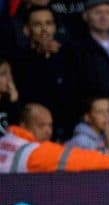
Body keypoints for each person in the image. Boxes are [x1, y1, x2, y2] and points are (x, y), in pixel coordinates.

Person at [0, 103, 109, 173]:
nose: (48, 131)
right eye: (41, 125)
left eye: (50, 125)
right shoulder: (33, 152)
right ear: (24, 125)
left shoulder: (6, 140)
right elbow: (78, 160)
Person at [13, 5, 74, 141]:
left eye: (49, 23)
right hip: (33, 136)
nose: (44, 29)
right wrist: (39, 57)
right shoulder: (19, 60)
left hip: (67, 134)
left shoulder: (69, 56)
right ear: (27, 30)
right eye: (37, 24)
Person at [0, 58, 19, 134]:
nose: (9, 78)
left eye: (10, 73)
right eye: (3, 74)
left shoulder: (9, 103)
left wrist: (14, 102)